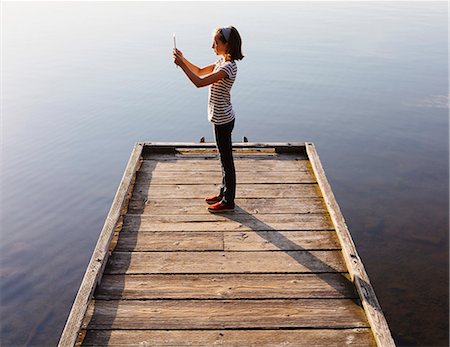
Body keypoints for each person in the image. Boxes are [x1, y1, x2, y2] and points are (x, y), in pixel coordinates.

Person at [173, 26, 244, 213]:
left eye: (216, 42)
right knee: (223, 158)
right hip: (219, 117)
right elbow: (199, 70)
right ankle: (224, 192)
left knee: (227, 161)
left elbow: (200, 82)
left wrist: (181, 66)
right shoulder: (221, 62)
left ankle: (228, 201)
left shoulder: (228, 67)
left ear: (227, 45)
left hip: (224, 120)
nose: (212, 45)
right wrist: (183, 59)